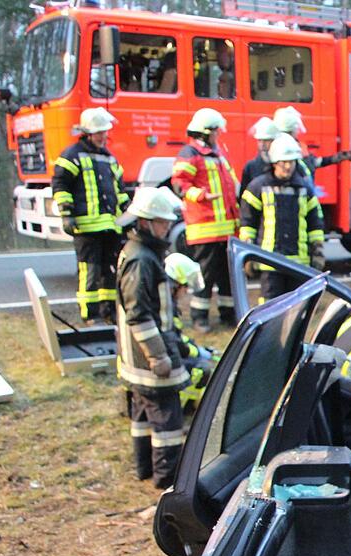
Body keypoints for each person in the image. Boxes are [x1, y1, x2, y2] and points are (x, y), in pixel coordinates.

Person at [115, 187, 190, 490]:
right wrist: (159, 356)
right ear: (145, 222)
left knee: (142, 416)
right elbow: (140, 316)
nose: (167, 227)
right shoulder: (142, 260)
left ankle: (144, 468)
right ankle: (167, 480)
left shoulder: (139, 252)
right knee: (167, 423)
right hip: (149, 359)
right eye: (161, 222)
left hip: (135, 358)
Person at [52, 107, 129, 324]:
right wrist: (66, 214)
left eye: (105, 132)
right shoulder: (72, 155)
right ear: (87, 133)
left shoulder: (109, 159)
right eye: (100, 132)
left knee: (109, 271)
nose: (104, 136)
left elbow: (120, 191)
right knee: (90, 271)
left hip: (110, 226)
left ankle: (109, 312)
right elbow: (60, 185)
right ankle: (90, 314)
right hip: (86, 228)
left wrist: (127, 216)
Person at [171, 107, 239, 332]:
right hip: (204, 229)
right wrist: (201, 196)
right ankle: (199, 317)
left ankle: (228, 315)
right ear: (205, 132)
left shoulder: (216, 154)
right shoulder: (190, 154)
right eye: (215, 132)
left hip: (225, 230)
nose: (218, 136)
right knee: (205, 276)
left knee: (227, 276)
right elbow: (179, 183)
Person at [239, 133, 326, 300]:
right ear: (274, 163)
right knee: (270, 306)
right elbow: (247, 223)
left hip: (298, 262)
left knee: (295, 307)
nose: (288, 166)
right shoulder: (258, 187)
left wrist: (318, 250)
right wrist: (248, 253)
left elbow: (315, 223)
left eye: (291, 162)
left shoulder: (304, 188)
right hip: (270, 261)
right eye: (284, 162)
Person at [163, 252, 219, 413]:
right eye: (185, 286)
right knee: (202, 370)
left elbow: (176, 336)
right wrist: (196, 353)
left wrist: (195, 346)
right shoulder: (168, 307)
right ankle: (182, 408)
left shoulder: (166, 300)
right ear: (176, 285)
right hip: (165, 364)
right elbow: (176, 344)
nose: (186, 290)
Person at [240, 117, 280, 191]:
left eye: (266, 140)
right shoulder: (250, 167)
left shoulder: (282, 166)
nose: (262, 145)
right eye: (259, 141)